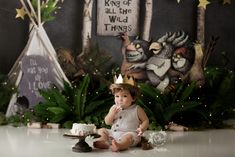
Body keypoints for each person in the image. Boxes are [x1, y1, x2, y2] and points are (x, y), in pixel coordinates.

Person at [94, 74, 149, 152]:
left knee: (128, 138)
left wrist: (142, 128)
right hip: (113, 134)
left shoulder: (137, 109)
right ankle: (104, 141)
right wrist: (112, 114)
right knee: (102, 130)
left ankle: (120, 145)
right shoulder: (113, 108)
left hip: (129, 133)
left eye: (125, 96)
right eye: (117, 96)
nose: (120, 99)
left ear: (133, 98)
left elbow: (145, 120)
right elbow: (107, 122)